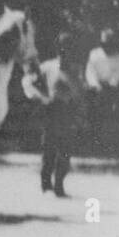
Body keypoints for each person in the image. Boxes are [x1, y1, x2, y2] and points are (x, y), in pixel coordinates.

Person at [23, 32, 78, 197]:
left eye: (67, 49)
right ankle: (46, 185)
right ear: (57, 49)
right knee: (48, 150)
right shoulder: (47, 66)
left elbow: (78, 92)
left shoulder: (75, 70)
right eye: (62, 49)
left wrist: (70, 91)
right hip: (50, 112)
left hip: (67, 112)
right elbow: (28, 81)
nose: (64, 52)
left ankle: (59, 185)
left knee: (65, 152)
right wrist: (39, 96)